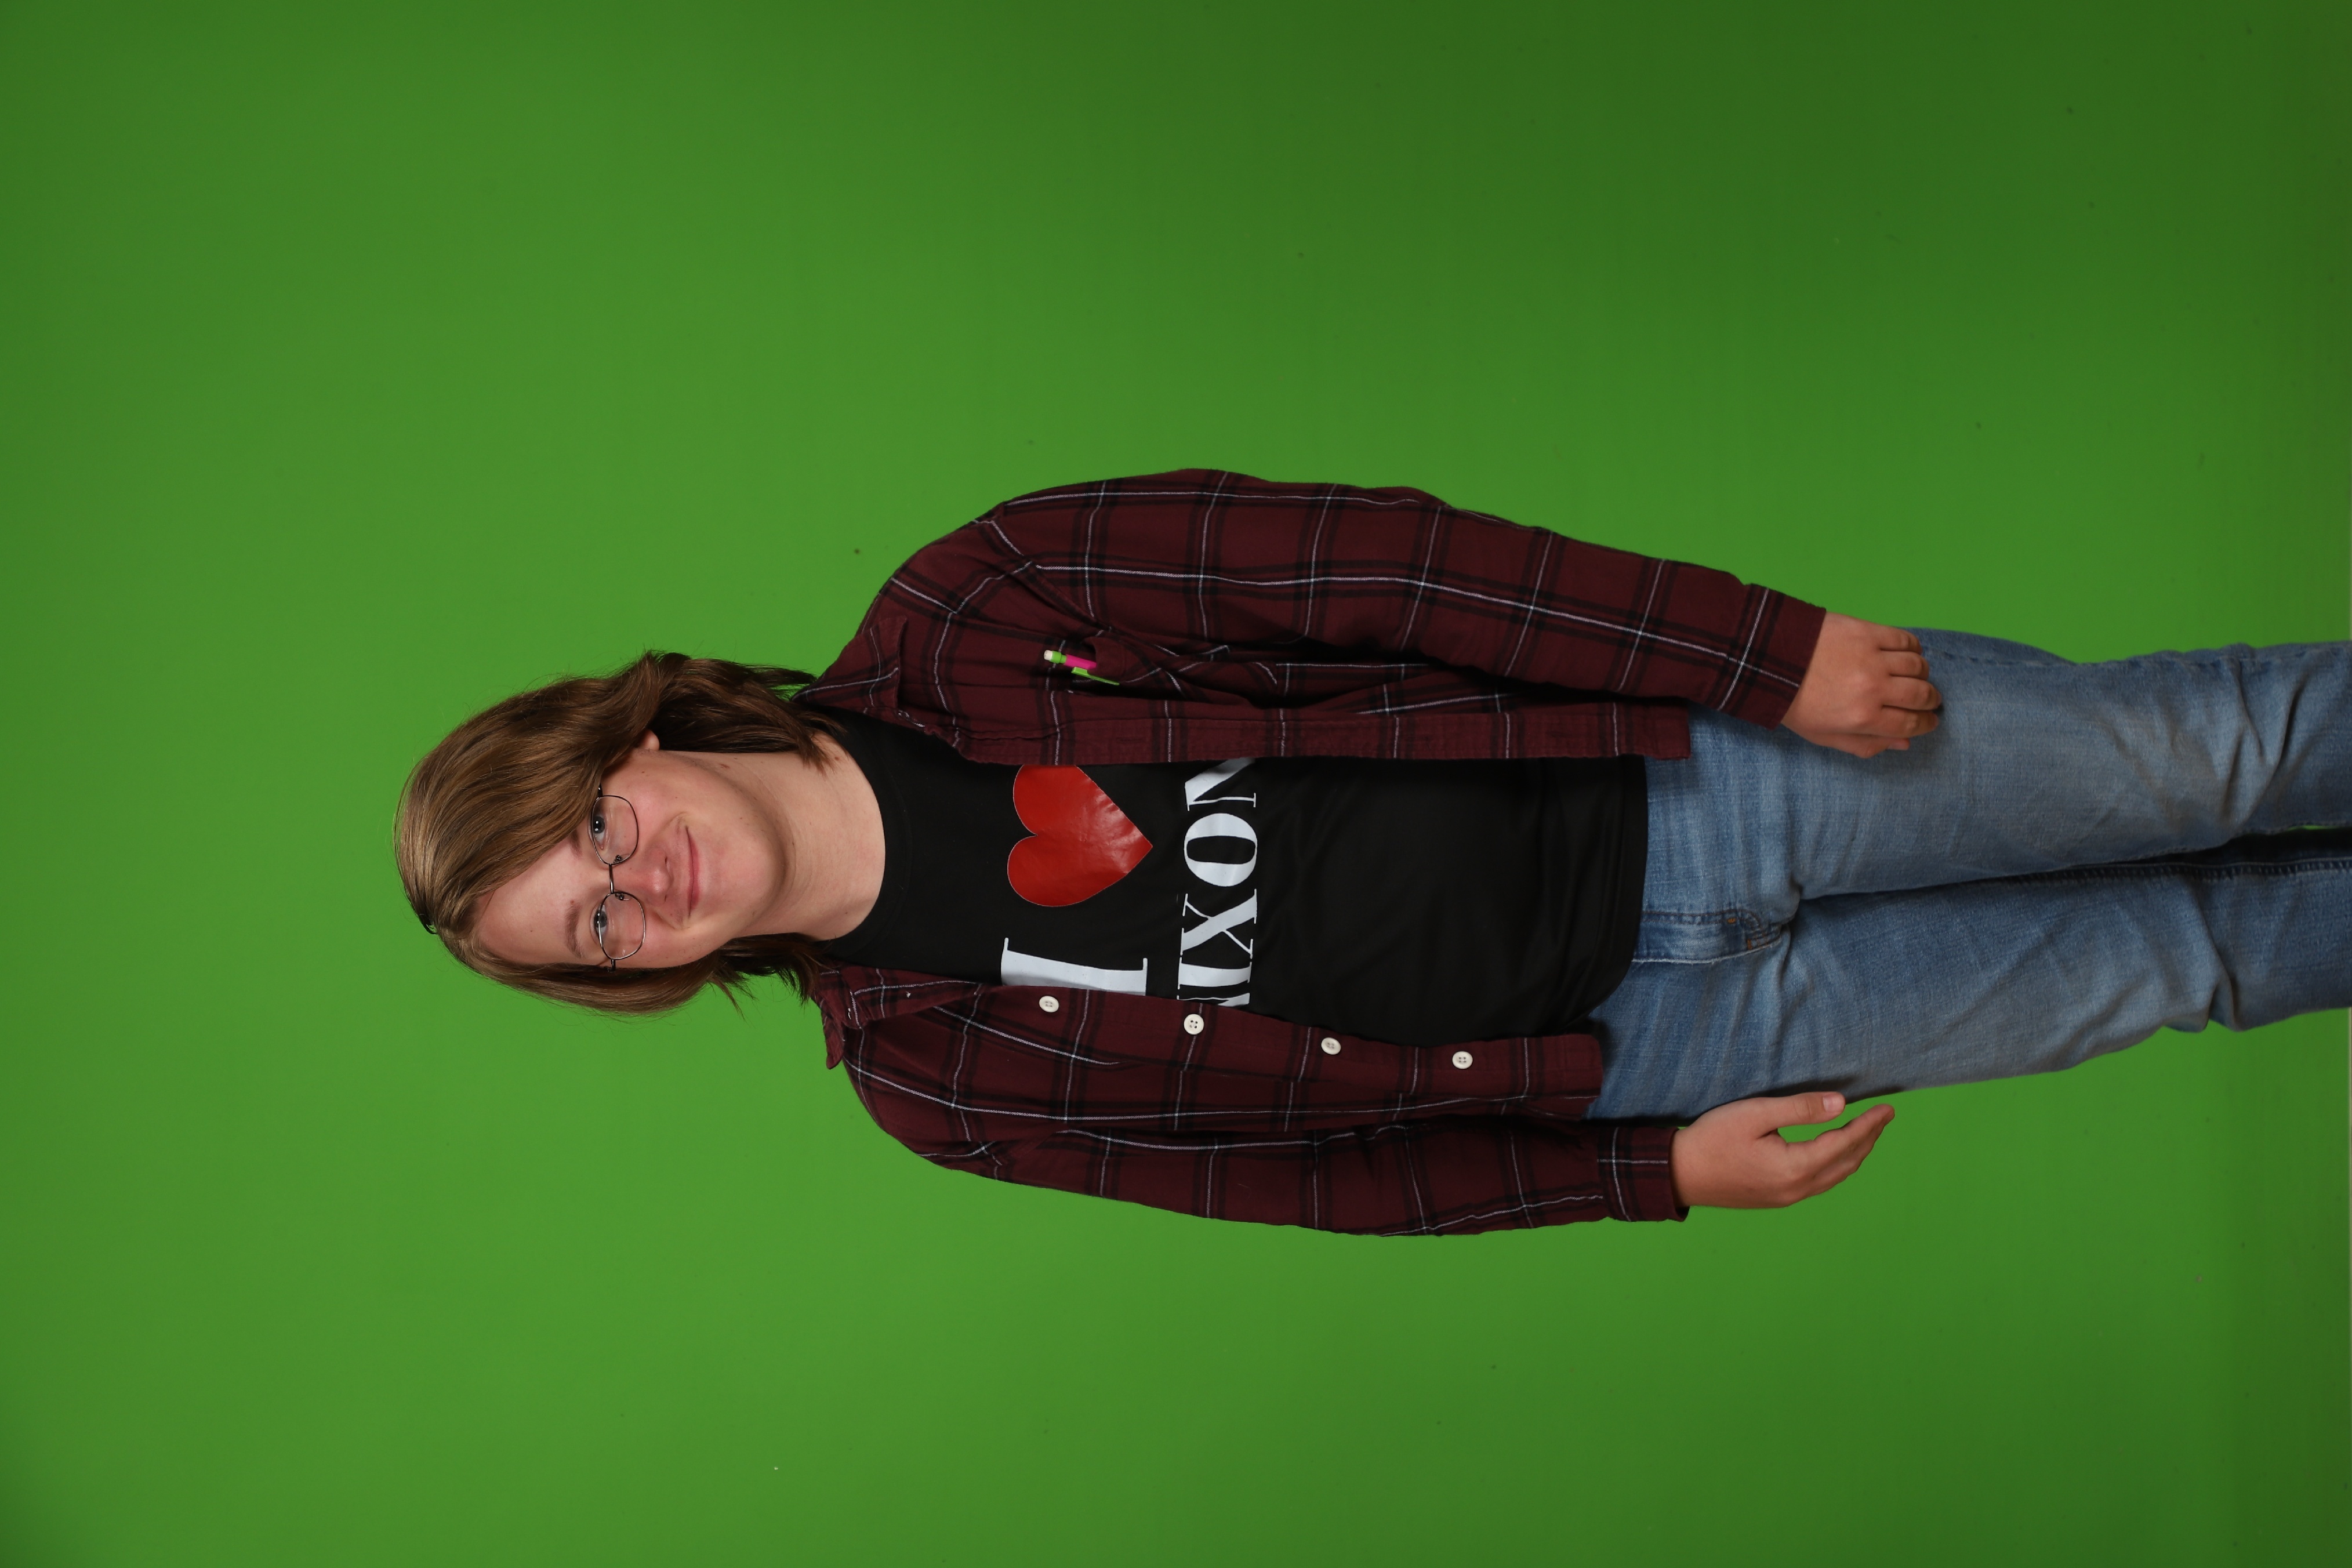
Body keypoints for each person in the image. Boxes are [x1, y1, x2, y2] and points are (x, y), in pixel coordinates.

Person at [396, 470, 2352, 1235]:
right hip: (1669, 1043)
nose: (640, 886)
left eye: (597, 834)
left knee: (2216, 758)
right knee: (2190, 963)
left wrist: (1760, 653)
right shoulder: (936, 1086)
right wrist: (1648, 1172)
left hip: (1701, 777)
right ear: (634, 978)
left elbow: (1399, 570)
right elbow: (1319, 1184)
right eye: (597, 928)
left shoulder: (979, 606)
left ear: (629, 738)